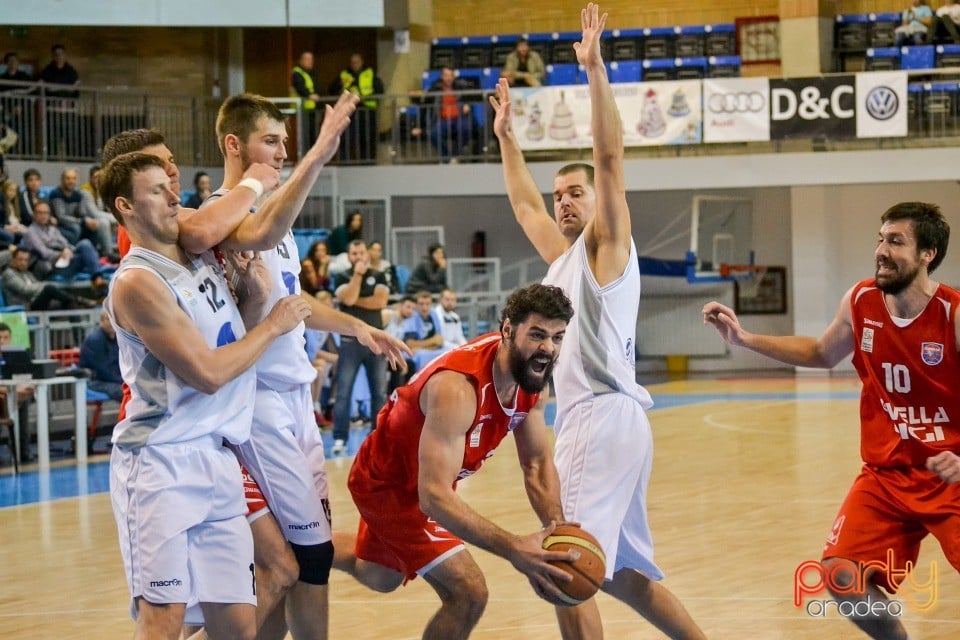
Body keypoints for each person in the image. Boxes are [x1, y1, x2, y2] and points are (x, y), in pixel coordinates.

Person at [490, 5, 707, 639]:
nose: (563, 201)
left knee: (563, 559)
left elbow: (610, 160)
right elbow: (524, 202)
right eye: (561, 194)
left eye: (574, 193)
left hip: (601, 417)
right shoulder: (563, 264)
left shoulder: (606, 245)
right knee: (620, 573)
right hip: (614, 421)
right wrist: (506, 136)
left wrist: (595, 73)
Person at [703, 201, 960, 640]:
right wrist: (744, 339)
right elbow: (821, 353)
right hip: (887, 477)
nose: (881, 249)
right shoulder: (860, 300)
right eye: (880, 239)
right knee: (842, 576)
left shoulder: (952, 315)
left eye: (895, 241)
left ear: (927, 254)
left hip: (950, 476)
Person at [208, 92, 410, 639]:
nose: (280, 153)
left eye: (285, 144)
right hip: (260, 401)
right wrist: (318, 153)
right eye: (269, 142)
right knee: (310, 552)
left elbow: (295, 303)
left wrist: (357, 326)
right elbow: (262, 234)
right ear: (234, 145)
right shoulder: (222, 212)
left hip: (296, 399)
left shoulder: (281, 222)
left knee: (293, 559)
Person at [99, 150, 312, 640]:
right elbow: (208, 373)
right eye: (157, 190)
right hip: (158, 463)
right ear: (125, 207)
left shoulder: (197, 253)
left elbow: (235, 340)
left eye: (171, 186)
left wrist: (257, 299)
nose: (175, 195)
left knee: (237, 623)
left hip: (215, 456)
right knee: (164, 618)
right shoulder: (137, 282)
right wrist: (275, 325)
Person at [334, 283, 578, 638]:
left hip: (427, 480)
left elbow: (537, 465)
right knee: (469, 592)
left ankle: (300, 547)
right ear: (508, 329)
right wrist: (514, 548)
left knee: (378, 575)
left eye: (557, 338)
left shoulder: (532, 378)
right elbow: (432, 497)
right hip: (388, 485)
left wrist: (558, 532)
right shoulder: (458, 389)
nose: (548, 348)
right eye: (537, 335)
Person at [330, 239, 391, 457]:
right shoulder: (340, 276)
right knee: (344, 392)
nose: (358, 257)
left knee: (379, 392)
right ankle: (339, 438)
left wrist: (352, 301)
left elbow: (380, 302)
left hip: (375, 341)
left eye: (361, 253)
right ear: (349, 256)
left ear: (367, 254)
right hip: (350, 342)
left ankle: (378, 437)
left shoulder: (381, 274)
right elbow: (349, 296)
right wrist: (357, 277)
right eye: (353, 254)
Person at [22, 199, 104, 281]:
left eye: (46, 213)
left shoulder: (52, 229)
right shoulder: (30, 232)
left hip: (67, 259)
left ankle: (97, 278)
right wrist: (61, 254)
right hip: (53, 265)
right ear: (34, 214)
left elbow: (65, 243)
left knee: (85, 244)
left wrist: (68, 250)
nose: (44, 215)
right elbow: (43, 252)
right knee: (88, 256)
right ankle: (97, 278)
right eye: (40, 213)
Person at [328, 53, 384, 163]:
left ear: (362, 62)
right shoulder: (345, 74)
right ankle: (346, 163)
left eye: (357, 62)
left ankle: (368, 162)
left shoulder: (369, 73)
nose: (355, 65)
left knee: (367, 138)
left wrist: (365, 98)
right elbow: (332, 89)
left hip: (367, 111)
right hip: (350, 111)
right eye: (353, 62)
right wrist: (342, 86)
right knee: (347, 138)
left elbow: (379, 89)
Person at [415, 67, 478, 163]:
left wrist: (468, 105)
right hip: (443, 119)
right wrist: (419, 126)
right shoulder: (435, 88)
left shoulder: (462, 85)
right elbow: (424, 106)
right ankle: (446, 158)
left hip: (461, 117)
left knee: (466, 129)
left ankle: (455, 155)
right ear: (442, 76)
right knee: (433, 133)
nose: (448, 78)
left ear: (454, 77)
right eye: (446, 75)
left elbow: (475, 96)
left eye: (450, 75)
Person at [2, 246, 97, 310]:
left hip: (36, 302)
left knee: (69, 304)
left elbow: (36, 286)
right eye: (20, 259)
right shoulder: (8, 274)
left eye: (26, 260)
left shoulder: (27, 274)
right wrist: (44, 285)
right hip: (25, 307)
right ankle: (80, 300)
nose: (23, 262)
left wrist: (41, 286)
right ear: (13, 260)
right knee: (48, 289)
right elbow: (24, 289)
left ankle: (79, 335)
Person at [0, 321, 34, 464]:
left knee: (23, 400)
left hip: (10, 395)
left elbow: (24, 376)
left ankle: (22, 450)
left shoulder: (17, 356)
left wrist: (26, 387)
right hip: (3, 395)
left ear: (11, 339)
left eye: (6, 338)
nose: (2, 342)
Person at [79, 309, 123, 402]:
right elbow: (102, 371)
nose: (112, 322)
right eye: (108, 319)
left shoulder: (117, 338)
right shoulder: (95, 340)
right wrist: (124, 381)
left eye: (115, 319)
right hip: (95, 381)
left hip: (111, 379)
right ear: (101, 321)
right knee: (127, 391)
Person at [403, 289, 447, 371]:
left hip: (430, 350)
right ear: (416, 305)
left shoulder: (434, 314)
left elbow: (439, 341)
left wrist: (423, 346)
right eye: (421, 304)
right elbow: (410, 344)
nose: (424, 307)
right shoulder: (411, 317)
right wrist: (432, 341)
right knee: (421, 355)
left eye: (427, 304)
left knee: (449, 352)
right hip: (416, 354)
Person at [291, 51, 321, 156]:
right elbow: (300, 87)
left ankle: (312, 156)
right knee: (303, 137)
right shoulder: (296, 72)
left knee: (312, 135)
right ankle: (303, 157)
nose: (310, 62)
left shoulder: (312, 74)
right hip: (301, 110)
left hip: (311, 109)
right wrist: (309, 95)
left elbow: (318, 88)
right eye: (307, 59)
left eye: (311, 59)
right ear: (301, 61)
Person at [0, 179, 28, 245]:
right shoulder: (2, 204)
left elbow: (17, 220)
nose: (12, 193)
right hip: (7, 227)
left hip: (15, 226)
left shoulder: (15, 204)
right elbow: (4, 222)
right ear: (4, 190)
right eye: (10, 190)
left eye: (14, 191)